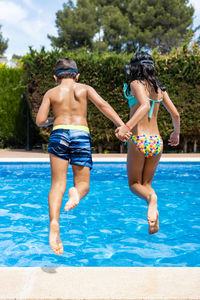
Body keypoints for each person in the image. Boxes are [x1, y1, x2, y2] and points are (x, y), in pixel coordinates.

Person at [36, 58, 131, 255]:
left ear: (56, 77)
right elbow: (104, 105)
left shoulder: (51, 92)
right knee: (83, 185)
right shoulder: (84, 88)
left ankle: (54, 222)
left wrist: (55, 118)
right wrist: (121, 125)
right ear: (77, 76)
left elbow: (40, 121)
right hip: (80, 133)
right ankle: (76, 194)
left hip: (59, 133)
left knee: (57, 185)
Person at [115, 52, 180, 234]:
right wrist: (176, 132)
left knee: (134, 184)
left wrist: (126, 127)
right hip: (156, 141)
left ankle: (152, 200)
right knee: (146, 185)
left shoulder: (136, 84)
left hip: (139, 139)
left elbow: (144, 106)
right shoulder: (160, 88)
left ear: (135, 67)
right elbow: (175, 114)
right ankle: (154, 217)